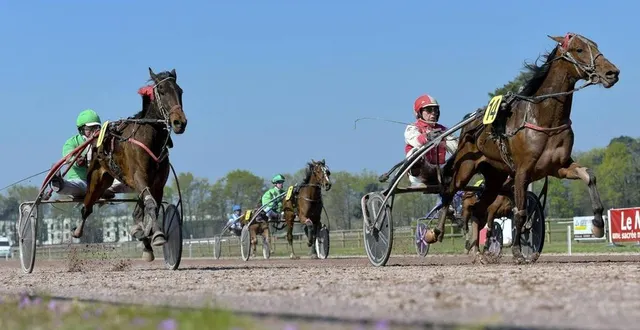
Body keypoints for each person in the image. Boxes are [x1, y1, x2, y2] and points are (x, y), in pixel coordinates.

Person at [48, 109, 131, 199]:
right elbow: (69, 157)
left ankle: (107, 190)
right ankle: (58, 184)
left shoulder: (104, 142)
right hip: (81, 181)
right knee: (80, 187)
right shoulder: (71, 143)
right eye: (89, 129)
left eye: (96, 128)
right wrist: (77, 161)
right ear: (81, 130)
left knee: (127, 182)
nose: (94, 132)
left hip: (103, 182)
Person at [404, 94, 459, 188]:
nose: (433, 113)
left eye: (435, 110)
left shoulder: (444, 130)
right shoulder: (412, 127)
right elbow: (414, 140)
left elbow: (455, 147)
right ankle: (417, 181)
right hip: (421, 174)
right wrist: (428, 137)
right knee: (415, 152)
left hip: (439, 172)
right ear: (419, 112)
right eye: (429, 110)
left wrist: (443, 139)